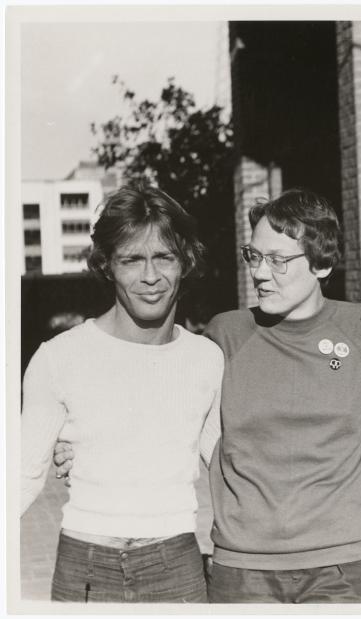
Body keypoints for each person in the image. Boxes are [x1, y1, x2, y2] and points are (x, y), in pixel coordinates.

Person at [21, 183, 224, 603]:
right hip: (84, 566)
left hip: (177, 565)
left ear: (185, 260)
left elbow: (231, 467)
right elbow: (19, 477)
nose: (150, 277)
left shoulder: (207, 359)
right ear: (107, 265)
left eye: (164, 257)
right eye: (132, 260)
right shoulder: (58, 358)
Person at [200, 189, 361, 603]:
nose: (261, 273)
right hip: (243, 568)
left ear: (322, 263)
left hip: (344, 565)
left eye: (279, 260)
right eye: (254, 256)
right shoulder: (227, 334)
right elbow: (165, 403)